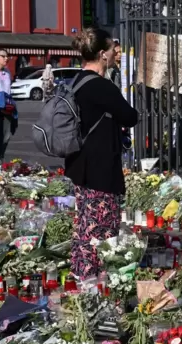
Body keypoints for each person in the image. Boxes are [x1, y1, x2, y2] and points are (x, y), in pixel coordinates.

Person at [66, 27, 138, 279]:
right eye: (111, 49)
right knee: (102, 229)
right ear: (101, 55)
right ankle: (98, 282)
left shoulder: (76, 82)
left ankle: (81, 274)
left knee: (85, 224)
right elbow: (130, 116)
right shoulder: (101, 86)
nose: (115, 52)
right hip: (100, 168)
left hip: (79, 165)